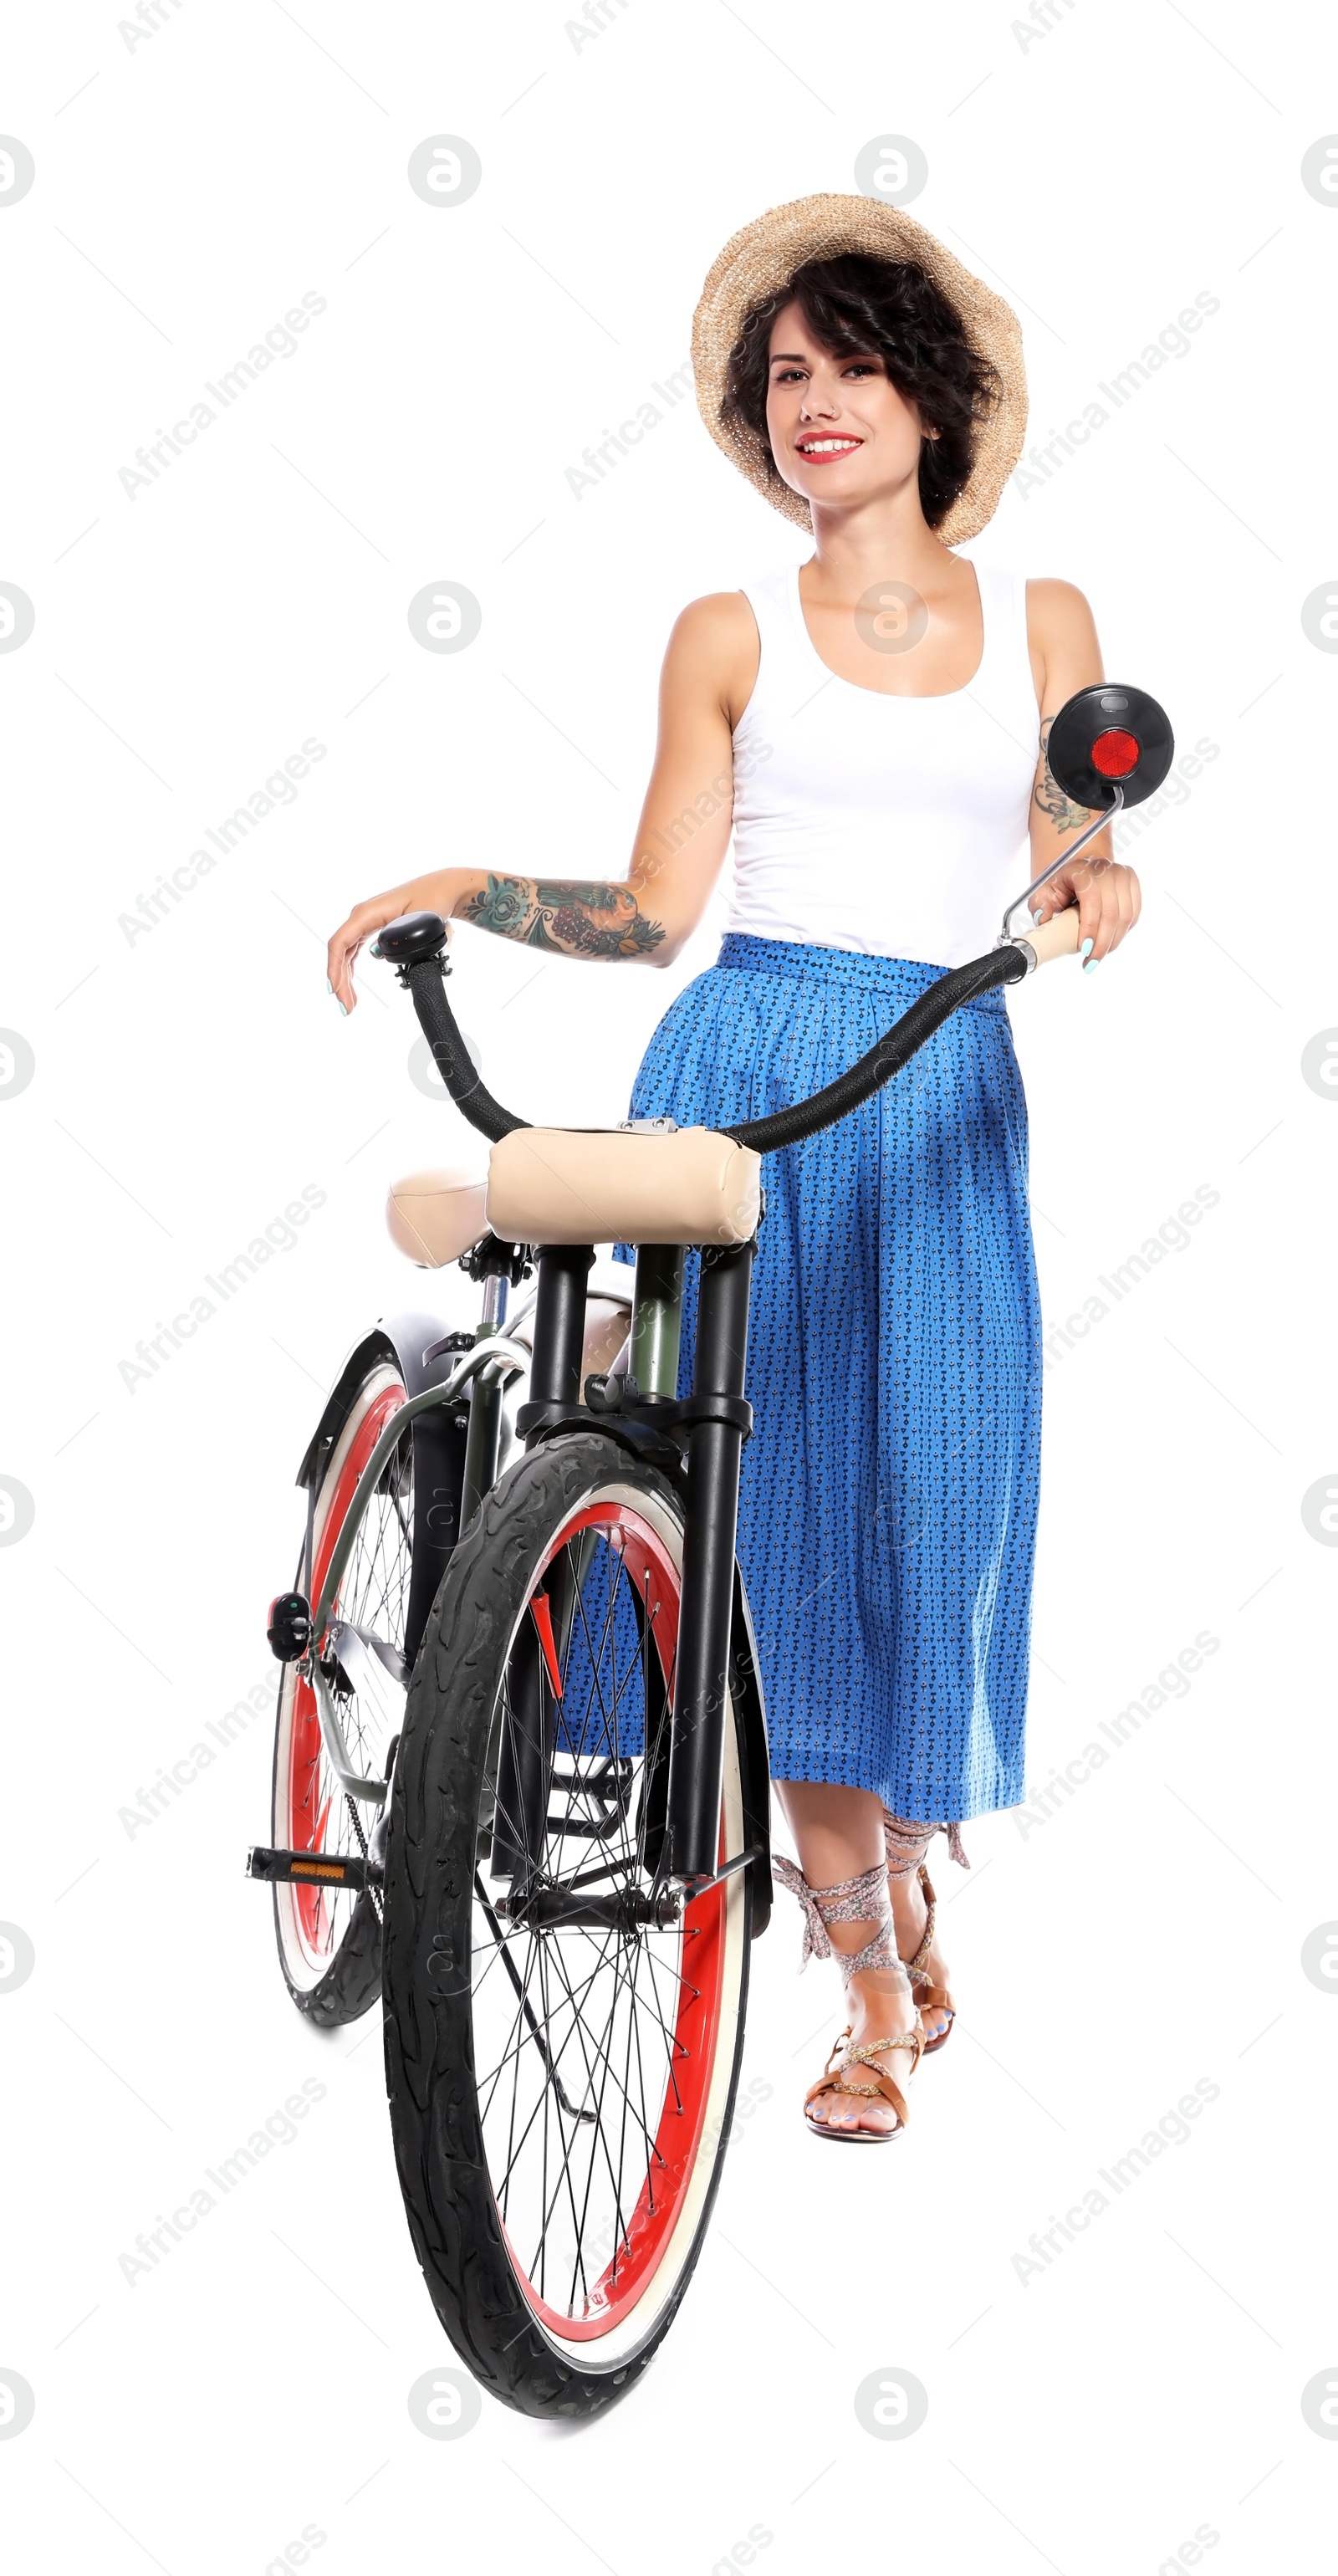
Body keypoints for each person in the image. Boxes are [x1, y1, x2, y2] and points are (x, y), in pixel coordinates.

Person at [327, 193, 1141, 2144]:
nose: (812, 403)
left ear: (928, 397)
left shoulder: (1043, 624)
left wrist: (1099, 876)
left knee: (923, 1514)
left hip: (934, 1074)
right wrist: (470, 888)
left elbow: (1062, 854)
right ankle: (867, 1977)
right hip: (747, 1062)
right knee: (759, 1519)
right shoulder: (723, 629)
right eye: (782, 378)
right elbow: (655, 910)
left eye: (848, 363)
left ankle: (885, 1875)